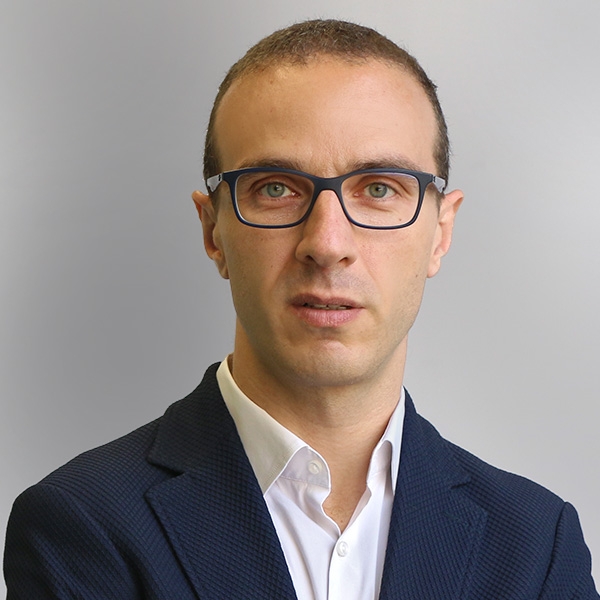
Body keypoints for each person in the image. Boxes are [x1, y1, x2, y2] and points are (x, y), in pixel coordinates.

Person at [4, 18, 598, 599]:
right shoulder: (83, 526)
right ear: (213, 231)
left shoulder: (537, 546)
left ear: (440, 232)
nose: (327, 244)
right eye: (276, 188)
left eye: (380, 188)